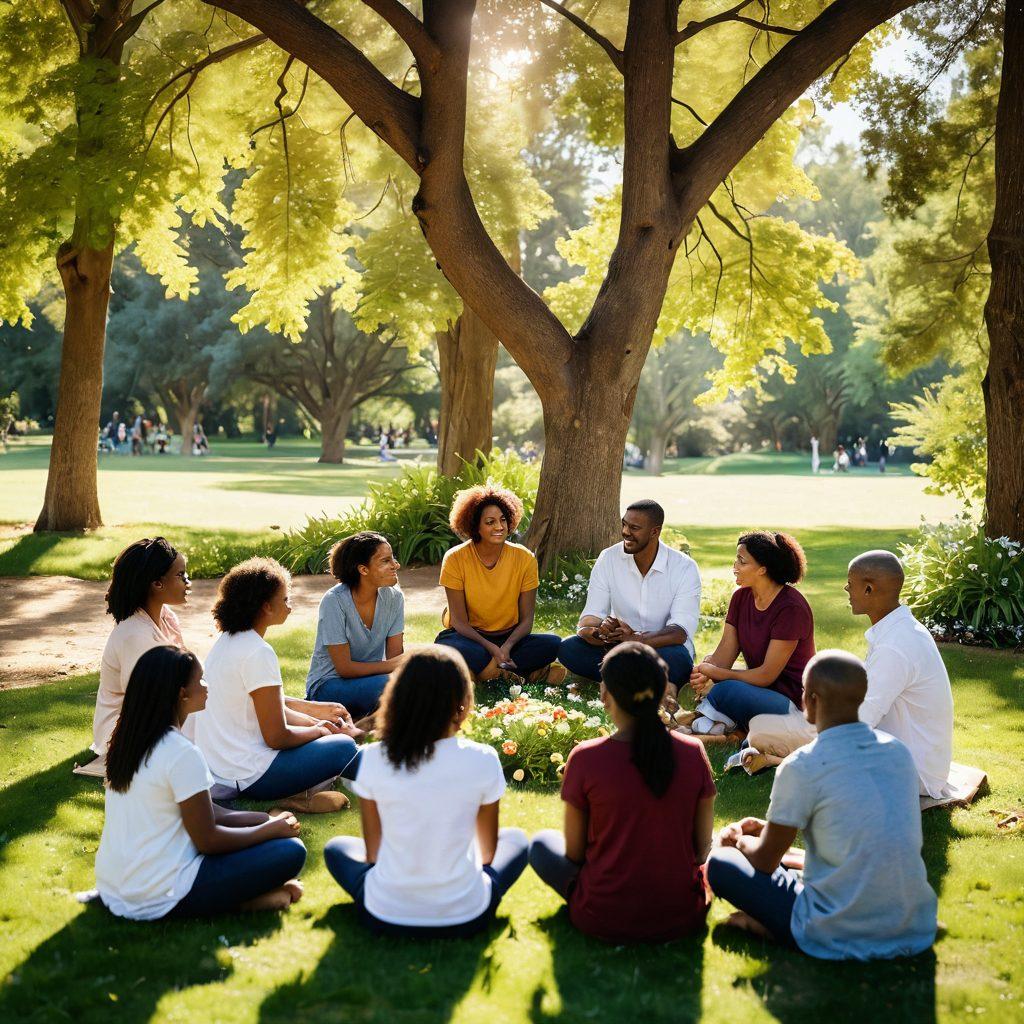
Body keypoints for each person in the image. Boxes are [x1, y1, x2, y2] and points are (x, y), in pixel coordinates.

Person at [706, 651, 938, 960]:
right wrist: (766, 833)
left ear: (811, 700)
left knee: (721, 865)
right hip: (912, 924)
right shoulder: (898, 753)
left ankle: (774, 928)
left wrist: (737, 842)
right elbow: (863, 840)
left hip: (836, 930)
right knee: (784, 858)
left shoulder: (802, 765)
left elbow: (763, 862)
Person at [323, 645, 528, 936]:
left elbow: (373, 855)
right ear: (462, 701)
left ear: (398, 699)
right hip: (467, 914)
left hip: (385, 913)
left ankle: (404, 898)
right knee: (516, 840)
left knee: (337, 848)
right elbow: (488, 854)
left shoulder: (373, 758)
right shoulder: (482, 758)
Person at [95, 645, 307, 919]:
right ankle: (241, 903)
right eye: (201, 680)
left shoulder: (128, 744)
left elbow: (204, 809)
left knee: (263, 837)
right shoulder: (181, 753)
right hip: (160, 893)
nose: (206, 686)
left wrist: (262, 819)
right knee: (289, 851)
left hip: (116, 887)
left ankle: (247, 895)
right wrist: (271, 831)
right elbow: (208, 840)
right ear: (182, 693)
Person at [529, 643, 716, 943]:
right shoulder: (693, 752)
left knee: (540, 845)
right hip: (681, 914)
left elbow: (574, 854)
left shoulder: (585, 758)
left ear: (605, 696)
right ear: (662, 692)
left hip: (601, 914)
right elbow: (701, 849)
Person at [742, 551, 954, 797]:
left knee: (761, 730)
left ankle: (780, 761)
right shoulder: (901, 629)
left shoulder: (895, 647)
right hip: (897, 749)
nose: (845, 588)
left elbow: (859, 722)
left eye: (850, 584)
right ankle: (779, 758)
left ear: (868, 589)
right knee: (772, 728)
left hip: (910, 770)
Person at [192, 557, 361, 813]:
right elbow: (277, 737)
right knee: (343, 747)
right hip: (252, 776)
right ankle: (303, 795)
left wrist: (315, 721)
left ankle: (313, 788)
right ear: (265, 607)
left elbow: (267, 708)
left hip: (227, 769)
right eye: (284, 600)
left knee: (336, 742)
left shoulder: (226, 642)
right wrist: (321, 731)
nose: (289, 607)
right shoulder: (258, 651)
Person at [558, 500, 701, 700]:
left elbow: (679, 632)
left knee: (678, 659)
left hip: (663, 650)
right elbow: (589, 617)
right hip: (619, 648)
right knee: (569, 648)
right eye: (624, 524)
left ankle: (616, 680)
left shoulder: (684, 567)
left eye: (634, 528)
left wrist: (636, 639)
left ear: (655, 532)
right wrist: (600, 632)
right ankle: (650, 683)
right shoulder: (608, 558)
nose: (625, 532)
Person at [77, 537, 192, 778]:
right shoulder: (134, 635)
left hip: (164, 712)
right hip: (127, 730)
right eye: (180, 575)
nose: (187, 582)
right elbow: (146, 701)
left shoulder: (166, 617)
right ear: (157, 584)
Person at [686, 531, 814, 736]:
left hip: (792, 703)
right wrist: (705, 671)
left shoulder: (791, 608)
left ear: (763, 569)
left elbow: (766, 675)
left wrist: (719, 675)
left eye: (742, 562)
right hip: (757, 691)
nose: (734, 567)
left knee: (726, 690)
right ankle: (724, 728)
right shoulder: (740, 598)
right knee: (721, 688)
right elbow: (724, 653)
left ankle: (713, 724)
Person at [435, 484, 564, 683]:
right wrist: (492, 648)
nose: (499, 527)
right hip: (472, 638)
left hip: (512, 640)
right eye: (490, 522)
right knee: (445, 643)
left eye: (503, 520)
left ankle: (481, 673)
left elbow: (527, 620)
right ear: (474, 525)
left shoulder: (525, 558)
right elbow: (459, 622)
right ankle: (516, 674)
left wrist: (506, 647)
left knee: (554, 644)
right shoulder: (455, 559)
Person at [305, 532, 405, 722]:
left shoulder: (394, 597)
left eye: (393, 558)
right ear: (363, 569)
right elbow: (345, 668)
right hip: (327, 685)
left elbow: (395, 655)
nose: (395, 565)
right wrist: (393, 666)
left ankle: (366, 723)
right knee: (389, 685)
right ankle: (366, 725)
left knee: (412, 682)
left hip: (370, 681)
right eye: (385, 561)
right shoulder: (334, 601)